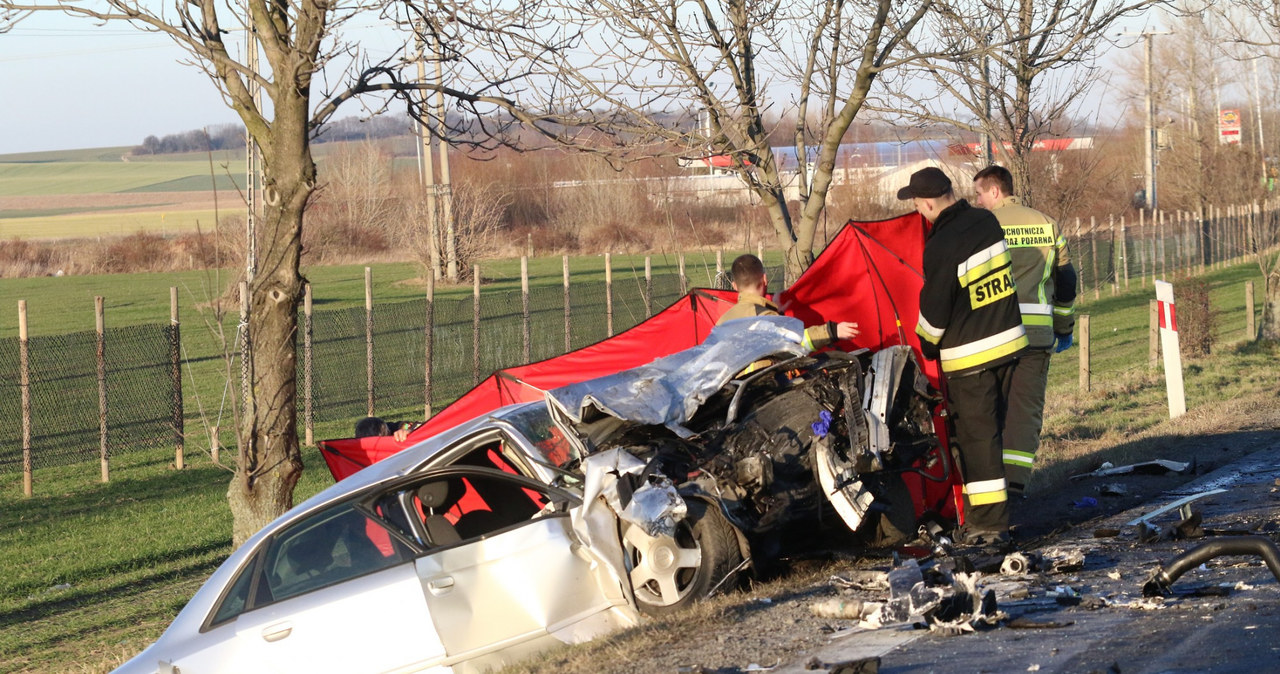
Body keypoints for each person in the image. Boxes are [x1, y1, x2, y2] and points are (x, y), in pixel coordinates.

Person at [898, 166, 1027, 545]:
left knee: (977, 440)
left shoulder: (940, 245)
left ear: (926, 203)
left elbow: (935, 311)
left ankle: (988, 527)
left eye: (919, 206)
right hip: (1009, 344)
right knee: (993, 435)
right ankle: (994, 516)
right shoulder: (987, 221)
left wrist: (925, 344)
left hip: (972, 356)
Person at [973, 165, 1078, 496]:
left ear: (994, 191)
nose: (977, 201)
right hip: (1036, 337)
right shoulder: (1047, 224)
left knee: (989, 409)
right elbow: (1066, 281)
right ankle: (1015, 485)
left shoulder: (984, 226)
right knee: (1025, 410)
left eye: (978, 194)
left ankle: (985, 487)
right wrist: (1064, 328)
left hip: (992, 336)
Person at [717, 253, 860, 349]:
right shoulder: (766, 319)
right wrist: (832, 331)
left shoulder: (721, 322)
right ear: (765, 279)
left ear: (735, 286)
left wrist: (774, 311)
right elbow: (796, 342)